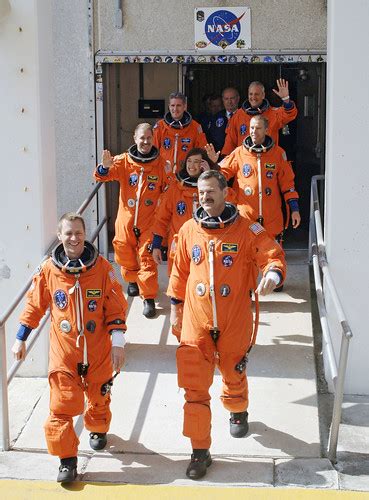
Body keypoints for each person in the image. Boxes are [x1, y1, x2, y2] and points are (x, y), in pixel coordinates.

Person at [167, 170, 286, 480]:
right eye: (200, 193)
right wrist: (175, 309)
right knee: (193, 384)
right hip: (197, 319)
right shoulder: (189, 230)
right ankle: (199, 451)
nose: (204, 197)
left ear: (225, 194)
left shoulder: (247, 228)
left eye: (210, 192)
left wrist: (272, 275)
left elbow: (271, 253)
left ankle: (237, 408)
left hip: (234, 318)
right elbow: (179, 273)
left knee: (234, 369)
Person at [11, 213, 128, 483]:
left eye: (78, 232)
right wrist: (20, 337)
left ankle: (97, 429)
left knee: (99, 396)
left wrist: (118, 342)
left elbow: (115, 307)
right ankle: (67, 461)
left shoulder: (101, 268)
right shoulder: (49, 270)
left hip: (97, 349)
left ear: (85, 234)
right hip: (65, 353)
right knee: (62, 405)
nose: (73, 238)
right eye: (68, 233)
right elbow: (34, 304)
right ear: (59, 235)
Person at [94, 122, 169, 318]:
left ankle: (149, 298)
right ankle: (133, 280)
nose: (145, 142)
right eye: (142, 138)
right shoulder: (125, 161)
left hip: (149, 221)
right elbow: (102, 176)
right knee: (124, 253)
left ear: (153, 140)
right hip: (126, 220)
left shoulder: (161, 164)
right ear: (135, 139)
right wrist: (104, 167)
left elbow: (169, 189)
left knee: (147, 259)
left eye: (149, 138)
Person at [211, 115, 301, 243]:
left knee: (273, 257)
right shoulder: (239, 153)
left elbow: (288, 184)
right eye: (252, 128)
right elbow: (221, 176)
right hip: (246, 216)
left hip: (271, 218)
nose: (254, 131)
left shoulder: (277, 154)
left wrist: (295, 210)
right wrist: (214, 165)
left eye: (258, 128)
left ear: (266, 130)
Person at [151, 148, 218, 280]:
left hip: (204, 242)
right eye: (189, 161)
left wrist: (212, 175)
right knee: (177, 286)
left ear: (203, 164)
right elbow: (161, 217)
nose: (191, 166)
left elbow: (226, 204)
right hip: (179, 244)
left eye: (197, 162)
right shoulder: (175, 187)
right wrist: (156, 245)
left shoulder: (211, 189)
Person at [221, 79, 297, 156]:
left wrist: (286, 100)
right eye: (251, 94)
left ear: (263, 95)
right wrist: (224, 161)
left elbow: (289, 114)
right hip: (245, 162)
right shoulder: (238, 115)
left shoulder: (273, 114)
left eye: (256, 94)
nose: (253, 97)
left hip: (268, 159)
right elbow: (230, 143)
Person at [153, 92, 208, 173]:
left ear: (184, 107)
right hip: (164, 172)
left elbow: (202, 152)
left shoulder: (195, 127)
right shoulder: (160, 126)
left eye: (178, 105)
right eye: (172, 105)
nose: (175, 109)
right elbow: (153, 150)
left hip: (187, 172)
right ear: (169, 106)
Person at [206, 87, 240, 153]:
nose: (229, 102)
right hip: (220, 157)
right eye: (226, 99)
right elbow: (210, 139)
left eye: (232, 98)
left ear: (238, 99)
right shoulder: (215, 118)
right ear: (223, 100)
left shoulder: (244, 115)